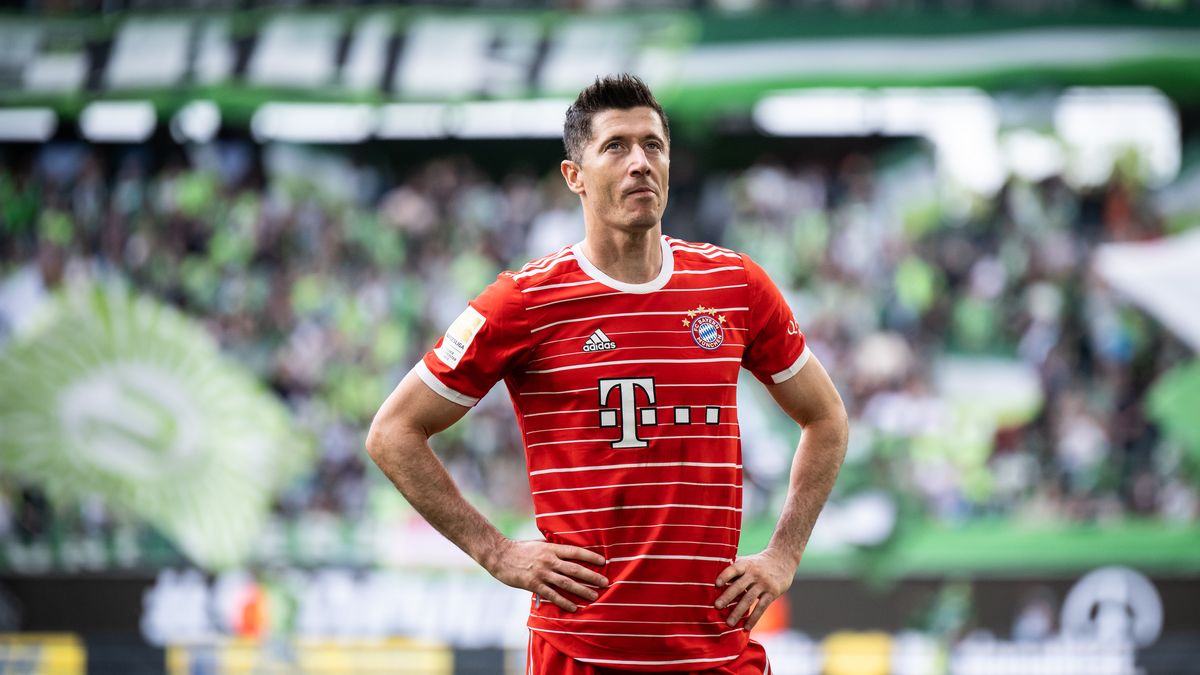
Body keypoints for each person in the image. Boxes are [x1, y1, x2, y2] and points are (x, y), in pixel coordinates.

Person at [366, 74, 848, 674]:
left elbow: (825, 417)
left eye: (653, 145)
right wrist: (495, 552)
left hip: (717, 649)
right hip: (582, 651)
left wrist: (783, 555)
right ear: (575, 176)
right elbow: (392, 433)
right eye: (616, 146)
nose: (639, 162)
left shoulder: (734, 286)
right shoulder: (523, 301)